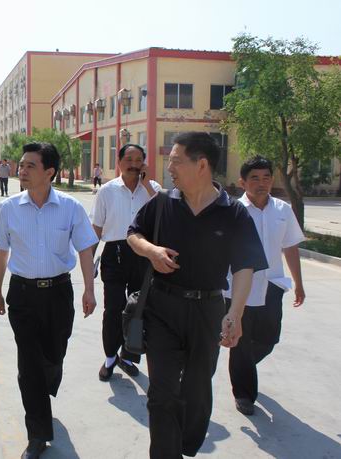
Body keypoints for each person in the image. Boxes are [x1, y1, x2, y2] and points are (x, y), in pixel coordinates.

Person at [126, 132, 268, 458]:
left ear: (201, 165)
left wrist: (235, 313)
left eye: (176, 161)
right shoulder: (163, 202)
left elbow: (245, 266)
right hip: (162, 307)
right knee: (161, 393)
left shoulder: (233, 213)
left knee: (197, 391)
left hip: (207, 311)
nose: (169, 168)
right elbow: (134, 234)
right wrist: (151, 250)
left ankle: (185, 443)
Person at [0, 142, 97, 459]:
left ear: (49, 172)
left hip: (58, 293)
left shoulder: (71, 207)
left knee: (53, 355)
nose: (22, 170)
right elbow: (1, 252)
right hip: (22, 294)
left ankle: (46, 382)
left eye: (30, 166)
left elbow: (85, 249)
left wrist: (89, 289)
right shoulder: (8, 208)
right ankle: (37, 434)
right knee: (29, 365)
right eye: (21, 165)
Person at [224, 156, 305, 416]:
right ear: (242, 182)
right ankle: (244, 394)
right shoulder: (233, 211)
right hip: (239, 287)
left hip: (272, 284)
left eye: (266, 178)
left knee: (269, 338)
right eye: (255, 178)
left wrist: (299, 283)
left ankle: (244, 366)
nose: (262, 183)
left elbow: (290, 247)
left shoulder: (283, 210)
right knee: (241, 341)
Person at [91, 144, 161, 381]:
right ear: (119, 162)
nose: (134, 164)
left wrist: (148, 184)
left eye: (138, 160)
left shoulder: (153, 190)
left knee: (139, 308)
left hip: (144, 255)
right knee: (113, 307)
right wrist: (88, 261)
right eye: (129, 159)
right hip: (115, 254)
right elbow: (97, 228)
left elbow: (166, 213)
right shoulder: (107, 191)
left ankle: (129, 356)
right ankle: (110, 356)